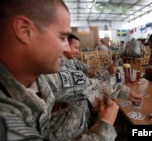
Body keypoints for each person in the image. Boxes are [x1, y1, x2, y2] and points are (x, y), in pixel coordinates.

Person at [0, 0, 120, 140]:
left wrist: (125, 91)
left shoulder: (41, 79)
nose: (67, 49)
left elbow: (84, 82)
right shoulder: (6, 120)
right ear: (24, 31)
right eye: (62, 37)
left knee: (75, 113)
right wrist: (104, 126)